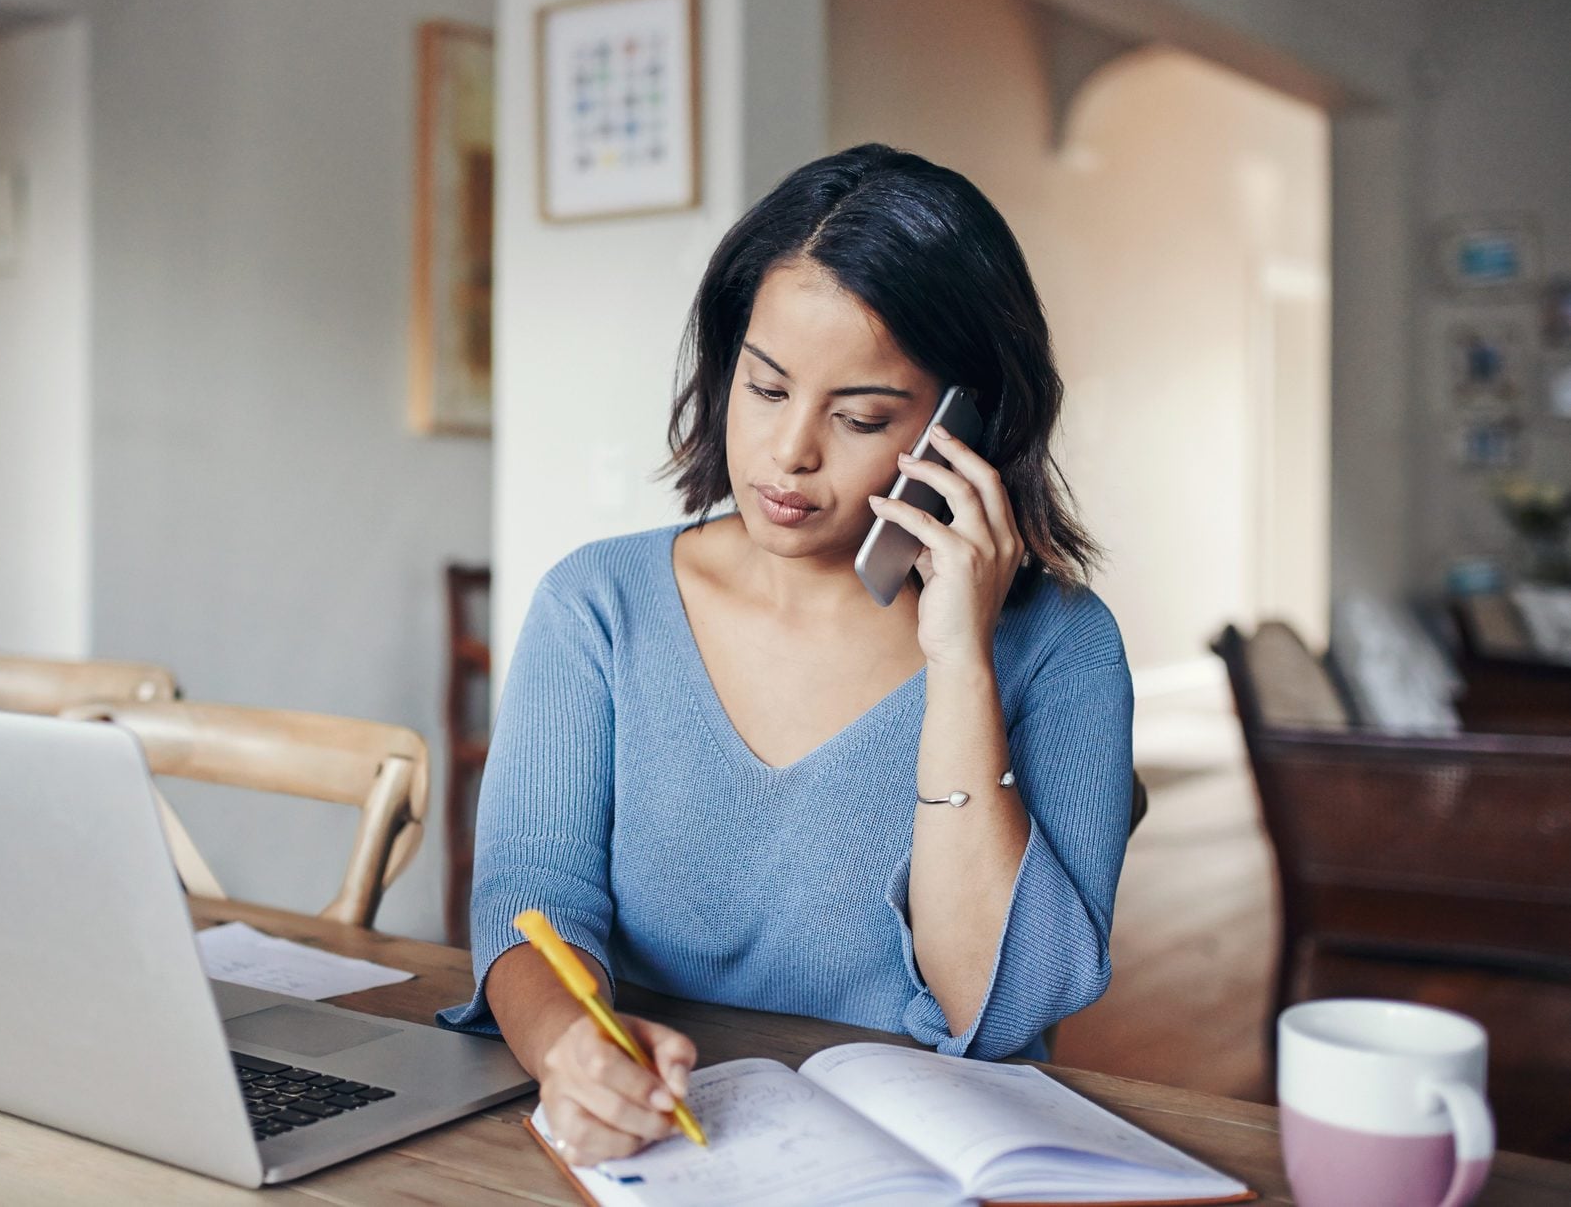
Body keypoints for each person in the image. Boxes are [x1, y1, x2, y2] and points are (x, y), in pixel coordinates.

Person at [438, 143, 1135, 1166]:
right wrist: (570, 1047)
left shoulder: (1065, 648)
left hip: (924, 1168)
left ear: (967, 422)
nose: (790, 452)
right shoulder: (598, 604)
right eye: (765, 389)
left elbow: (998, 1008)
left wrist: (960, 664)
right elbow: (531, 886)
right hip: (655, 1150)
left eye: (859, 416)